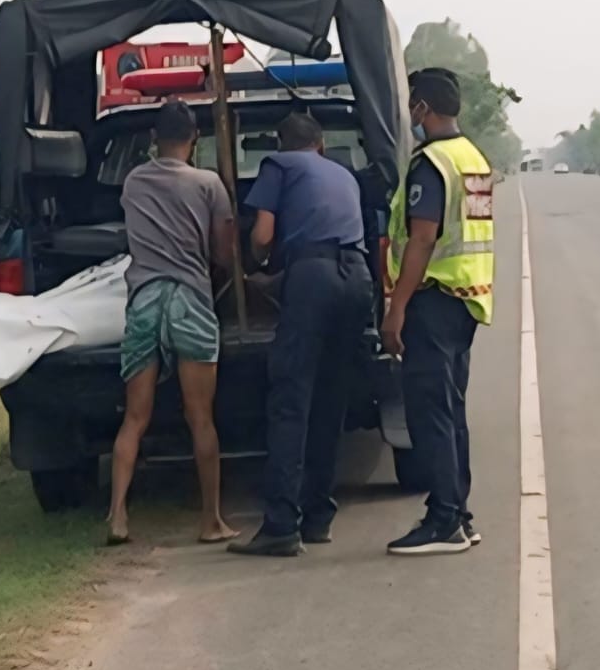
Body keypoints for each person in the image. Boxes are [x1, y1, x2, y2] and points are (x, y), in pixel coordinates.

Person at [228, 113, 373, 557]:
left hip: (312, 278)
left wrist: (255, 263)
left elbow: (264, 233)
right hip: (358, 277)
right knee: (330, 400)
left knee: (291, 400)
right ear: (321, 144)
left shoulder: (279, 165)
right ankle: (318, 517)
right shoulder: (343, 174)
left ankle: (280, 525)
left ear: (281, 142)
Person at [106, 100, 239, 546]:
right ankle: (211, 521)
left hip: (144, 300)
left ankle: (118, 516)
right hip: (189, 301)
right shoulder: (209, 184)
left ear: (152, 139)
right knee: (200, 416)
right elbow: (223, 253)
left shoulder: (133, 181)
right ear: (195, 138)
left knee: (135, 418)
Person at [382, 68, 494, 556]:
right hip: (467, 300)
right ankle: (458, 513)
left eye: (413, 106)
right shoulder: (473, 159)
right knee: (452, 412)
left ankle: (444, 518)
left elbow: (423, 238)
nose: (411, 115)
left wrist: (396, 307)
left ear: (423, 108)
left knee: (430, 414)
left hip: (432, 298)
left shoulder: (432, 163)